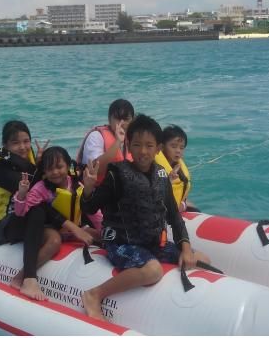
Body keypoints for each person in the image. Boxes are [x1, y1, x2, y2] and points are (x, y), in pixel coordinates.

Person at [78, 114, 211, 320]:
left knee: (201, 258)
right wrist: (88, 188)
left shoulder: (161, 176)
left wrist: (185, 248)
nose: (143, 151)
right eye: (137, 145)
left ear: (158, 148)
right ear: (128, 146)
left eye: (149, 146)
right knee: (153, 271)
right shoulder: (116, 174)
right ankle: (95, 294)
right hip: (121, 243)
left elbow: (175, 217)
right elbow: (90, 206)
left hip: (153, 243)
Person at [0, 120, 62, 301]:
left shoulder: (28, 159)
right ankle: (30, 279)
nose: (23, 147)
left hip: (22, 215)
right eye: (16, 143)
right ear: (5, 145)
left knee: (54, 240)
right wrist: (42, 168)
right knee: (38, 208)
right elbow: (31, 192)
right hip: (2, 223)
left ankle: (20, 276)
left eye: (26, 141)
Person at [13, 146, 99, 241]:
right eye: (49, 168)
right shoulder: (41, 188)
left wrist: (101, 228)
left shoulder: (76, 185)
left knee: (98, 235)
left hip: (74, 229)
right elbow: (21, 212)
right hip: (53, 230)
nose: (54, 172)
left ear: (68, 166)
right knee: (53, 242)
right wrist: (22, 194)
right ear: (44, 170)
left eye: (59, 167)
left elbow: (93, 213)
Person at [76, 98, 135, 185]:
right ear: (109, 119)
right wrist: (117, 142)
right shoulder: (96, 136)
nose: (122, 123)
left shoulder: (134, 138)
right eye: (118, 118)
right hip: (98, 190)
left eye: (126, 119)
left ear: (132, 120)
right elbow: (96, 170)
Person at [154, 124, 200, 213]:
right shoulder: (155, 168)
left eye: (181, 148)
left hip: (177, 207)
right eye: (173, 146)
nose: (178, 150)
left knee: (196, 210)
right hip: (162, 212)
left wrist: (183, 204)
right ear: (162, 147)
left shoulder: (179, 167)